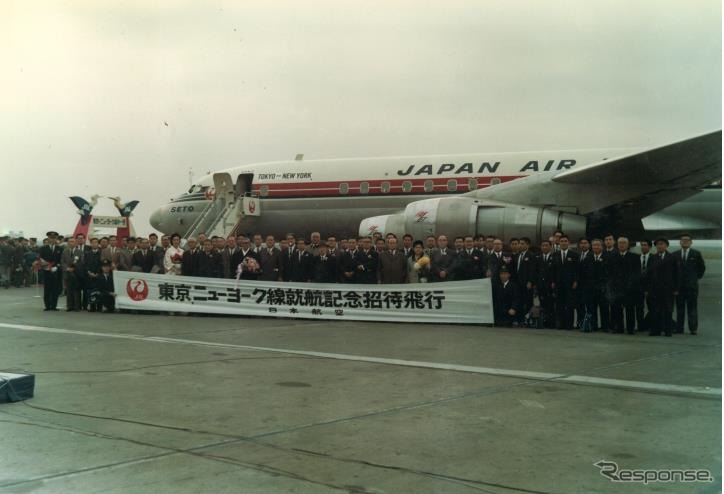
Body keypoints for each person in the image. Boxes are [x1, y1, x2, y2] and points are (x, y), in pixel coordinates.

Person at [674, 233, 705, 335]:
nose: (685, 242)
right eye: (683, 240)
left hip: (691, 287)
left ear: (691, 242)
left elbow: (701, 269)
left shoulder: (696, 254)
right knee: (680, 309)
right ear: (680, 242)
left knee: (692, 308)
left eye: (687, 240)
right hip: (679, 287)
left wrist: (694, 278)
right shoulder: (675, 254)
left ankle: (693, 328)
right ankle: (679, 328)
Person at [647, 238, 680, 337]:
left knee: (668, 310)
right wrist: (648, 288)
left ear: (666, 246)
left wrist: (676, 289)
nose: (660, 246)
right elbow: (648, 274)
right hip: (655, 289)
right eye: (658, 244)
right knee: (655, 310)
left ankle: (667, 331)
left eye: (662, 244)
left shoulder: (673, 257)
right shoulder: (653, 257)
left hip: (668, 289)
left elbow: (677, 274)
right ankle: (655, 330)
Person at [608, 236, 639, 334]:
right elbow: (609, 273)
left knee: (630, 309)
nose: (621, 245)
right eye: (620, 243)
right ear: (617, 244)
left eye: (624, 243)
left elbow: (636, 274)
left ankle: (630, 329)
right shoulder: (612, 257)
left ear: (628, 245)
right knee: (617, 310)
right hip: (616, 288)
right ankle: (619, 328)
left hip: (629, 288)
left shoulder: (634, 257)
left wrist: (633, 286)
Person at [553, 234, 578, 330]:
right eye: (561, 241)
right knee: (559, 305)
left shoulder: (574, 255)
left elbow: (577, 270)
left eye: (565, 241)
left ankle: (569, 325)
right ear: (559, 243)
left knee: (569, 305)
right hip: (558, 284)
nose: (563, 243)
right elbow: (552, 270)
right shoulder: (555, 255)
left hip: (570, 284)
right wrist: (553, 282)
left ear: (569, 243)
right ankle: (560, 324)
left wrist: (576, 281)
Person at [512, 237, 537, 323]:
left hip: (526, 283)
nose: (520, 245)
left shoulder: (531, 255)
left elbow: (532, 270)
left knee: (528, 301)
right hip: (517, 283)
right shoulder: (517, 255)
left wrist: (530, 281)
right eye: (520, 243)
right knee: (519, 301)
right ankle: (520, 319)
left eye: (522, 243)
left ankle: (528, 320)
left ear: (527, 245)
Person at [39, 231, 63, 310]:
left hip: (56, 271)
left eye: (54, 238)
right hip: (46, 271)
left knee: (55, 289)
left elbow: (61, 260)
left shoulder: (60, 248)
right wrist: (46, 266)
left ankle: (54, 306)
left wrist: (57, 266)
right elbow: (40, 259)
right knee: (47, 289)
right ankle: (47, 306)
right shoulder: (43, 248)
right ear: (48, 238)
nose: (52, 240)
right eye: (50, 238)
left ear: (56, 239)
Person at [589, 239, 609, 331]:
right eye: (594, 245)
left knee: (604, 308)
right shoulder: (588, 258)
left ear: (602, 246)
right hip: (592, 288)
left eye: (598, 245)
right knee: (592, 308)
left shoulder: (608, 257)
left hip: (603, 288)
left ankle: (605, 326)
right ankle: (594, 326)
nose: (595, 247)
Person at [635, 240, 654, 331]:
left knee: (652, 307)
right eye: (642, 245)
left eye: (645, 245)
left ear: (650, 247)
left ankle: (652, 325)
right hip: (638, 288)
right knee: (639, 308)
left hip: (650, 287)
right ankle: (640, 326)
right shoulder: (636, 258)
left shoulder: (654, 258)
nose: (643, 247)